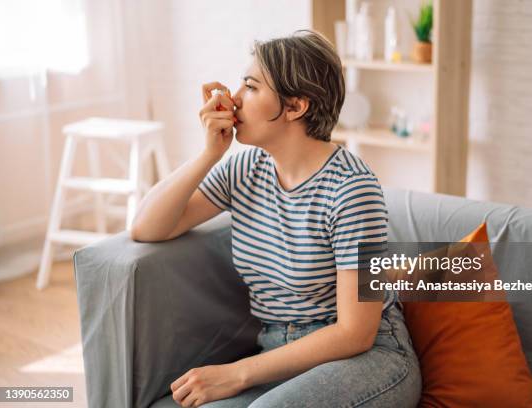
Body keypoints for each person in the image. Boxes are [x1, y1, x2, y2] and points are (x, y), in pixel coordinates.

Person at [131, 30, 421, 408]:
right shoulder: (246, 169)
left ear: (295, 106)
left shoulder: (352, 189)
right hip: (279, 356)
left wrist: (237, 373)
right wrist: (208, 155)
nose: (232, 98)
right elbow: (146, 227)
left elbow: (355, 333)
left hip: (369, 359)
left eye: (250, 87)